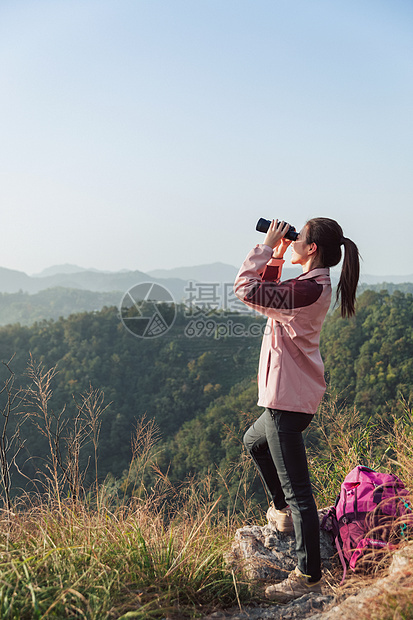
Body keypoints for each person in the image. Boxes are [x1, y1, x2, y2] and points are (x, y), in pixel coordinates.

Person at [234, 217, 360, 602]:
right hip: (288, 398)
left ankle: (307, 575)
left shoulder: (306, 289)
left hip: (286, 403)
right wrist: (280, 256)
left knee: (301, 493)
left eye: (298, 238)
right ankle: (282, 511)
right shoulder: (308, 287)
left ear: (312, 249)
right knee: (253, 442)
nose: (293, 240)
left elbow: (246, 289)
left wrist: (269, 248)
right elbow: (266, 297)